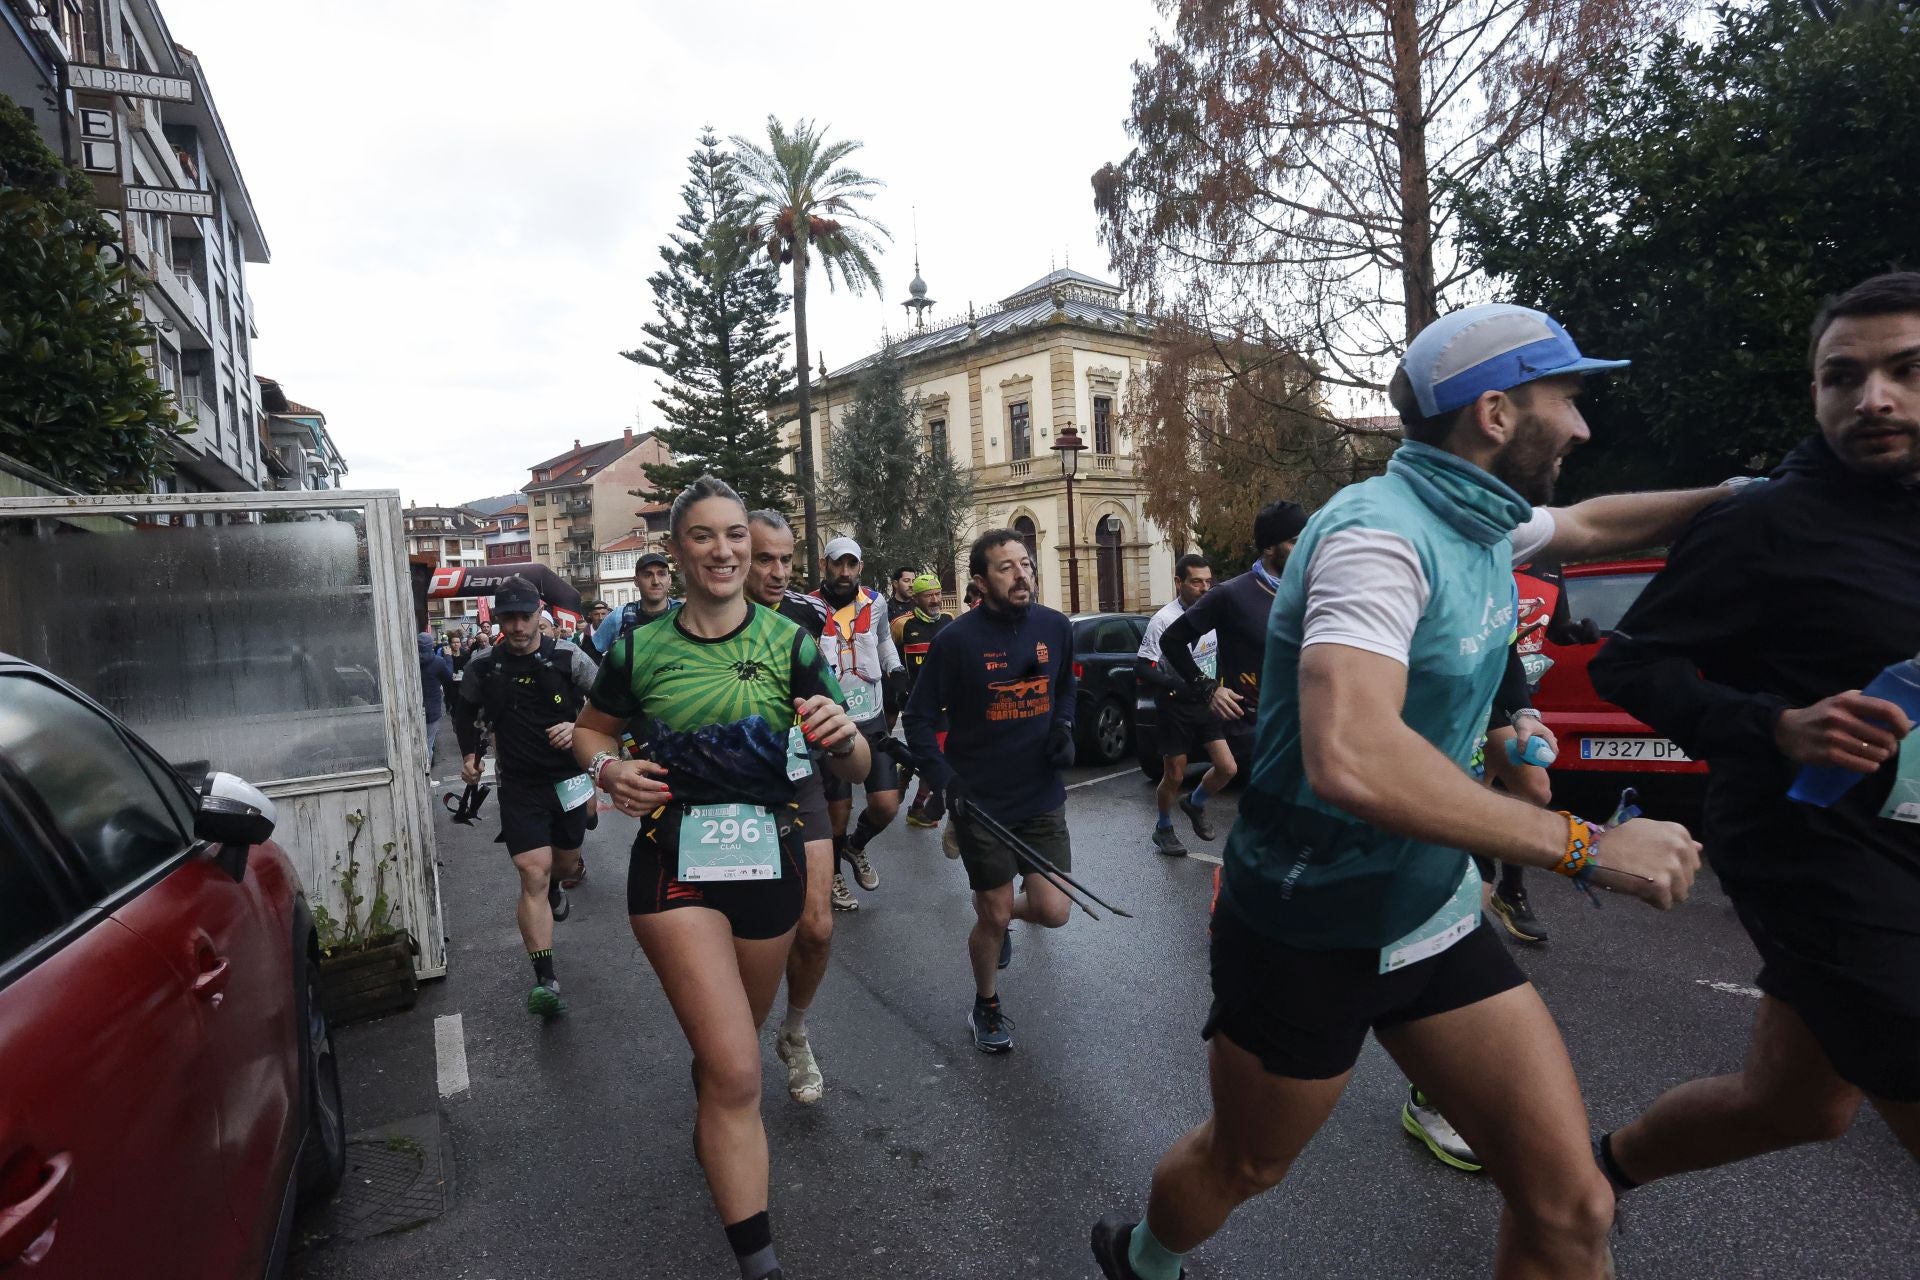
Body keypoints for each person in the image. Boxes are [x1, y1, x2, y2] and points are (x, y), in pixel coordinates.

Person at [1091, 302, 1731, 1280]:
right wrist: (1588, 845)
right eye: (1566, 398)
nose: (1582, 424)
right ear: (1495, 413)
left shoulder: (1482, 518)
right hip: (1311, 927)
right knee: (1244, 1163)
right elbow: (1352, 755)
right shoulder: (1377, 538)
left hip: (1432, 909)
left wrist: (1733, 498)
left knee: (1571, 1208)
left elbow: (1590, 524)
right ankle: (1144, 1260)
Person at [1587, 273, 1920, 1195]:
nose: (1873, 398)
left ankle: (1591, 1180)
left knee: (1796, 1105)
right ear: (1815, 392)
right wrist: (1775, 724)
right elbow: (1629, 665)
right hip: (1818, 854)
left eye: (1907, 370)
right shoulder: (1763, 522)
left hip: (1907, 835)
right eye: (1843, 377)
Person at [573, 475, 868, 1280]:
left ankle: (716, 1110)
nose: (724, 550)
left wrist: (845, 737)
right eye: (702, 535)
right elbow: (592, 732)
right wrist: (607, 770)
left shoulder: (792, 644)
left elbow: (855, 762)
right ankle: (761, 1263)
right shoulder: (638, 648)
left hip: (769, 862)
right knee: (738, 1071)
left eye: (735, 534)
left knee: (726, 1058)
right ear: (676, 551)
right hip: (673, 868)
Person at [905, 529, 1078, 1055]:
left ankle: (998, 918)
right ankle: (987, 1003)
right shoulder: (955, 641)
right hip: (980, 801)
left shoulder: (1055, 626)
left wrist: (1063, 726)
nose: (1022, 574)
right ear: (979, 582)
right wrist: (945, 781)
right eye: (1006, 567)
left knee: (1055, 910)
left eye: (1025, 563)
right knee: (995, 912)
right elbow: (917, 718)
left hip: (1040, 794)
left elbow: (1065, 687)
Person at [452, 575, 601, 1018]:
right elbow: (465, 712)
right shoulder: (483, 666)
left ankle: (558, 883)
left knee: (565, 864)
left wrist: (578, 728)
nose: (517, 626)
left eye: (524, 617)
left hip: (570, 778)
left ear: (540, 615)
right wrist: (469, 756)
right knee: (531, 871)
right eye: (508, 618)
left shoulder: (568, 657)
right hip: (518, 783)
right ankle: (546, 980)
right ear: (499, 620)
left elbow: (608, 704)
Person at [746, 508, 841, 1103]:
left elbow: (830, 697)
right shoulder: (698, 622)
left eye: (786, 560)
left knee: (816, 925)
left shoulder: (806, 618)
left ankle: (795, 1032)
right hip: (731, 791)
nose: (778, 572)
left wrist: (842, 731)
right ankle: (730, 1050)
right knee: (745, 938)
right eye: (765, 559)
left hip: (798, 776)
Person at [1154, 500, 1308, 843]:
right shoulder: (1232, 594)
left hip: (1297, 722)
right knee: (1273, 822)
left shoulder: (1308, 589)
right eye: (1295, 541)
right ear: (1269, 547)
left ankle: (1198, 807)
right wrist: (1208, 687)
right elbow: (1171, 641)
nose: (1305, 548)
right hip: (1250, 724)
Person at [812, 537, 909, 910]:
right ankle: (835, 874)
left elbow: (883, 640)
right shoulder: (808, 607)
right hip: (833, 722)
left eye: (851, 564)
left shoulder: (876, 601)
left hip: (871, 717)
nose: (845, 572)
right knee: (837, 813)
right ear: (825, 565)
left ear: (860, 568)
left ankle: (856, 846)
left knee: (886, 805)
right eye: (838, 564)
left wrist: (896, 670)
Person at [1137, 554, 1236, 855]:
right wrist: (1177, 684)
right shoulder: (1163, 620)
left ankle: (1194, 803)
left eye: (1209, 582)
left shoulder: (1213, 615)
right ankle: (1164, 827)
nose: (1205, 588)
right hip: (1175, 707)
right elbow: (1142, 668)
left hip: (1206, 702)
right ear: (1179, 582)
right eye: (1196, 582)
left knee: (1227, 768)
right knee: (1175, 776)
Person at [897, 573, 955, 828]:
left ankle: (918, 807)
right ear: (916, 598)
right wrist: (898, 690)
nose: (935, 600)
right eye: (928, 595)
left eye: (937, 594)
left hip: (943, 704)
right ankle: (906, 765)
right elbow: (889, 658)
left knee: (936, 757)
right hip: (915, 705)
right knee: (926, 754)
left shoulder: (949, 620)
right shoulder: (901, 625)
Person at [591, 551, 680, 655]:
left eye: (661, 574)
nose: (656, 581)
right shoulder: (619, 617)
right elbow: (591, 654)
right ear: (636, 581)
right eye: (647, 575)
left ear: (669, 580)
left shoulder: (683, 614)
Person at [419, 627, 457, 771]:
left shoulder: (410, 660)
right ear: (431, 645)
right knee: (428, 743)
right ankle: (426, 775)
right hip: (432, 708)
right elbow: (449, 677)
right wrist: (448, 658)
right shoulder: (438, 661)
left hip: (414, 708)